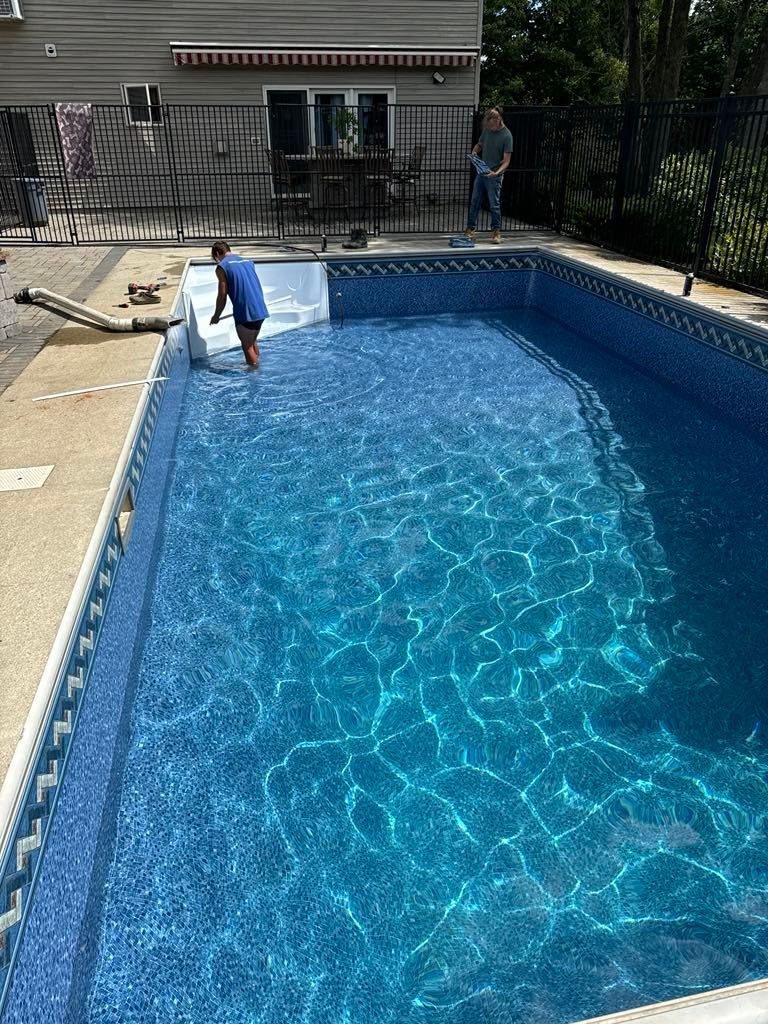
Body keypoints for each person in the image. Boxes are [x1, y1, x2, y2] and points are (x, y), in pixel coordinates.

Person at [209, 240, 269, 367]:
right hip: (260, 307)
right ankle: (257, 364)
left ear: (218, 253)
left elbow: (222, 296)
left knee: (246, 346)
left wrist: (216, 316)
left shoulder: (222, 267)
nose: (217, 261)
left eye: (216, 258)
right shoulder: (247, 261)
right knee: (252, 342)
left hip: (245, 310)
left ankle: (254, 376)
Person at [464, 108, 513, 244]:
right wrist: (474, 152)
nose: (489, 126)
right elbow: (480, 145)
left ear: (498, 119)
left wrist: (496, 173)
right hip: (482, 172)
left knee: (494, 205)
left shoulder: (507, 136)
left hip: (495, 175)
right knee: (475, 201)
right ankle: (470, 229)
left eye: (491, 123)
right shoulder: (486, 131)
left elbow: (507, 160)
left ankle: (496, 233)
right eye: (488, 123)